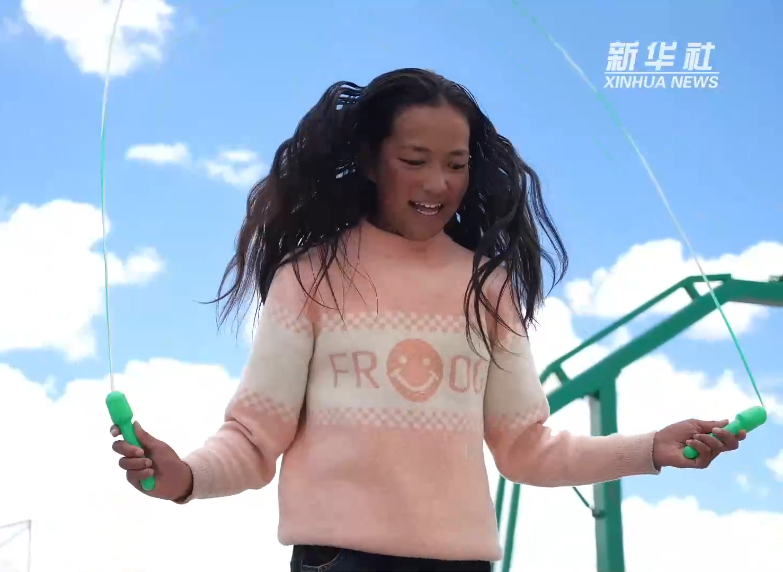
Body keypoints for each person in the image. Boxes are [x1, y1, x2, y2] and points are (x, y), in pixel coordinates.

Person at [110, 68, 746, 571]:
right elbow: (254, 440)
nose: (438, 184)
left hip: (461, 564)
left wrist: (649, 449)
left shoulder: (487, 287)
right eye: (415, 161)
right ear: (370, 160)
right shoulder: (310, 278)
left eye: (456, 164)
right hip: (340, 561)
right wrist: (185, 476)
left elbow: (526, 448)